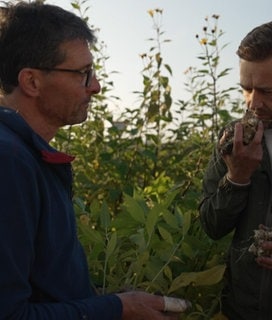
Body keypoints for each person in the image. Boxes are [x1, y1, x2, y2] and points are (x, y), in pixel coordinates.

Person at [0, 2, 183, 319]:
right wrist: (118, 308)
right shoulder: (9, 162)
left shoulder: (27, 155)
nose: (96, 86)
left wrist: (99, 302)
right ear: (31, 82)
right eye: (83, 74)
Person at [200, 20, 272, 320]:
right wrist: (236, 177)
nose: (253, 103)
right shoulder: (234, 138)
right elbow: (211, 227)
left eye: (267, 91)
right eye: (246, 89)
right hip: (239, 310)